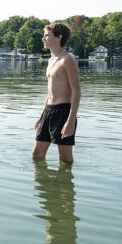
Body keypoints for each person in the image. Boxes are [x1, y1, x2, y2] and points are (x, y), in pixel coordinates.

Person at [32, 22, 81, 163]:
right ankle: (44, 185)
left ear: (59, 37)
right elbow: (49, 93)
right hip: (49, 111)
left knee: (65, 159)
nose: (43, 38)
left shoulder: (68, 60)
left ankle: (65, 184)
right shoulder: (51, 60)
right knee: (37, 155)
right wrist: (42, 116)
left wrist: (70, 121)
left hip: (63, 112)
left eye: (47, 35)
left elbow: (76, 91)